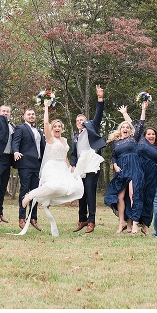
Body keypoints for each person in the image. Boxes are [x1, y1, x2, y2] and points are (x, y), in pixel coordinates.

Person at [16, 99, 103, 236]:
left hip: (63, 167)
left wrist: (70, 169)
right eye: (55, 126)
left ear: (62, 129)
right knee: (54, 186)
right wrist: (46, 107)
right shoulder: (50, 139)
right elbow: (45, 123)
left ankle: (48, 199)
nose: (57, 128)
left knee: (73, 188)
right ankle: (30, 195)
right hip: (52, 166)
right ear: (51, 129)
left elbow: (65, 156)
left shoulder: (65, 140)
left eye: (59, 127)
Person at [123, 99, 157, 236]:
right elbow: (134, 125)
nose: (151, 135)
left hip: (151, 174)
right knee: (137, 195)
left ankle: (145, 226)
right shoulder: (140, 140)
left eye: (153, 134)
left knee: (148, 198)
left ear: (156, 137)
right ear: (145, 136)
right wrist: (139, 110)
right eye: (148, 133)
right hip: (138, 171)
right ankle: (134, 225)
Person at [69, 84, 106, 234]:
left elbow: (99, 114)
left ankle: (91, 221)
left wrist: (100, 98)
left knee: (90, 192)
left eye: (82, 119)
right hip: (80, 166)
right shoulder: (75, 137)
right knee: (81, 193)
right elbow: (73, 153)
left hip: (91, 163)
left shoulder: (92, 127)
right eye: (77, 120)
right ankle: (82, 219)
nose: (80, 122)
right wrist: (72, 164)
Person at [103, 118, 142, 235]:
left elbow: (141, 125)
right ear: (120, 130)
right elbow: (114, 156)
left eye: (128, 127)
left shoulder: (134, 139)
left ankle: (133, 223)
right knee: (120, 196)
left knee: (132, 195)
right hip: (121, 169)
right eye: (123, 127)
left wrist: (144, 109)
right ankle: (122, 223)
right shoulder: (116, 142)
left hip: (134, 167)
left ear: (131, 130)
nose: (125, 128)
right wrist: (114, 165)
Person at [11, 108, 45, 232]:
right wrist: (15, 151)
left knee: (36, 192)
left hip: (38, 165)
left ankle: (33, 218)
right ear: (24, 117)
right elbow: (15, 142)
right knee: (25, 190)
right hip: (25, 164)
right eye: (29, 114)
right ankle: (21, 218)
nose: (31, 116)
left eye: (33, 114)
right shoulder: (20, 128)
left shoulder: (39, 131)